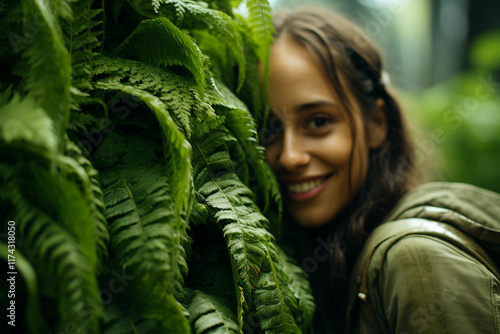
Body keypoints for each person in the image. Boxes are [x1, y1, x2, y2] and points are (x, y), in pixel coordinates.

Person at [262, 6, 500, 333]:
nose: (289, 157)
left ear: (376, 123)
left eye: (318, 122)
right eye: (269, 129)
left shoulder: (414, 261)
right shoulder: (335, 264)